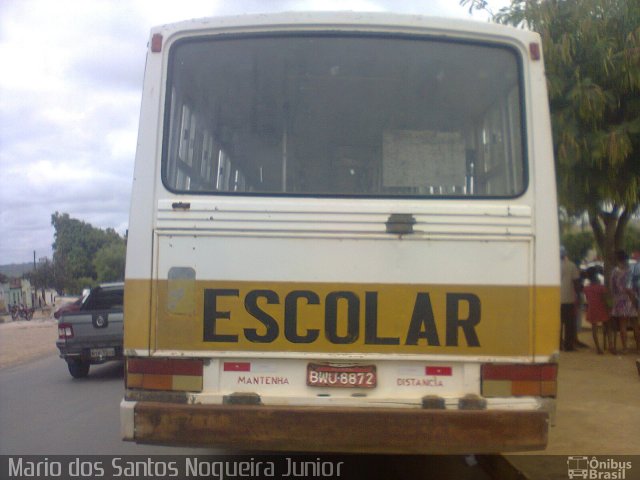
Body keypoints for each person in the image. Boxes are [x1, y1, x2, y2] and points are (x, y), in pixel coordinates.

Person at [609, 250, 639, 353]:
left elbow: (612, 288)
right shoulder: (632, 270)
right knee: (636, 324)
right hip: (632, 299)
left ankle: (625, 348)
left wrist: (616, 297)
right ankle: (638, 347)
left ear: (618, 259)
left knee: (623, 325)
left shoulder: (614, 272)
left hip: (620, 301)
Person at [582, 267, 611, 354]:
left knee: (594, 328)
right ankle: (611, 345)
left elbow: (587, 299)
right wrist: (610, 306)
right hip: (602, 308)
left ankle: (598, 348)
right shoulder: (602, 287)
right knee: (607, 326)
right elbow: (606, 299)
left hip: (592, 309)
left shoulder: (586, 288)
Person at [560, 246, 581, 351]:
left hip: (554, 300)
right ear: (565, 254)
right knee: (569, 324)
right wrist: (579, 295)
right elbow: (576, 282)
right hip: (568, 299)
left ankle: (557, 344)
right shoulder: (571, 265)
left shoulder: (551, 266)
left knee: (558, 324)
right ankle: (568, 345)